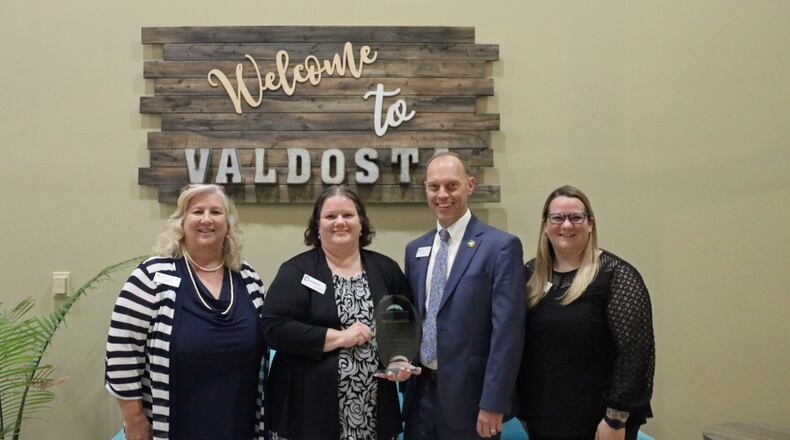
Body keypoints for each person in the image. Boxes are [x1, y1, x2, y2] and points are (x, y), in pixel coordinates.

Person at [104, 184, 268, 440]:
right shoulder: (151, 277)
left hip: (239, 421)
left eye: (216, 212)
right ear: (181, 222)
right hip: (174, 424)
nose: (206, 219)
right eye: (197, 211)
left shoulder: (248, 278)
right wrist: (134, 419)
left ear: (228, 224)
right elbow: (122, 351)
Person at [262, 185, 416, 440]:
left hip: (373, 411)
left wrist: (401, 359)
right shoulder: (296, 271)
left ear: (361, 223)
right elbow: (274, 328)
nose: (340, 222)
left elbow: (404, 326)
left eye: (348, 215)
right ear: (317, 226)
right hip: (309, 412)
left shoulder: (386, 269)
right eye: (330, 216)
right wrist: (339, 338)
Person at [403, 152, 526, 440]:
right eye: (434, 187)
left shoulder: (500, 247)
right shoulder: (415, 251)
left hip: (472, 403)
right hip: (420, 397)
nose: (442, 195)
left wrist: (494, 402)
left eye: (451, 185)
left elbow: (508, 333)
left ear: (470, 185)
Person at [516, 185, 655, 440]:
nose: (566, 226)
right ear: (545, 225)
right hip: (544, 415)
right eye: (557, 218)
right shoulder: (530, 274)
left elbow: (635, 353)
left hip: (599, 421)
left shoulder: (616, 276)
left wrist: (615, 418)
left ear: (590, 223)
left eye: (576, 217)